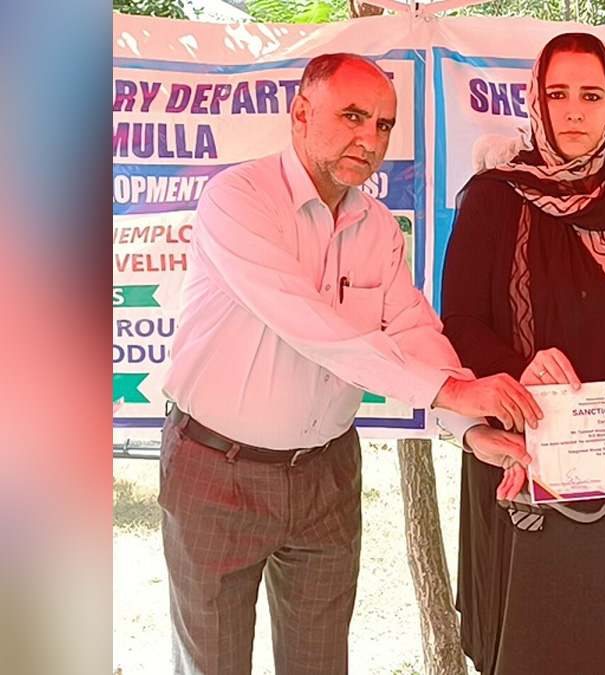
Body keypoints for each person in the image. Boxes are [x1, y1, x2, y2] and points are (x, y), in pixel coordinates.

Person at [160, 53, 539, 675]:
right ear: (301, 114)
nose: (370, 139)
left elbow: (413, 329)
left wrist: (473, 430)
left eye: (383, 125)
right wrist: (450, 393)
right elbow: (308, 325)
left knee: (320, 664)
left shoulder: (378, 225)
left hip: (326, 474)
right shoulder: (238, 199)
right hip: (217, 471)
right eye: (353, 116)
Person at [441, 33, 605, 675]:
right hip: (520, 454)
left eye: (591, 96)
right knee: (525, 648)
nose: (573, 111)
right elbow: (461, 323)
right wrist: (517, 369)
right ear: (535, 101)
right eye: (557, 94)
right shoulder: (492, 197)